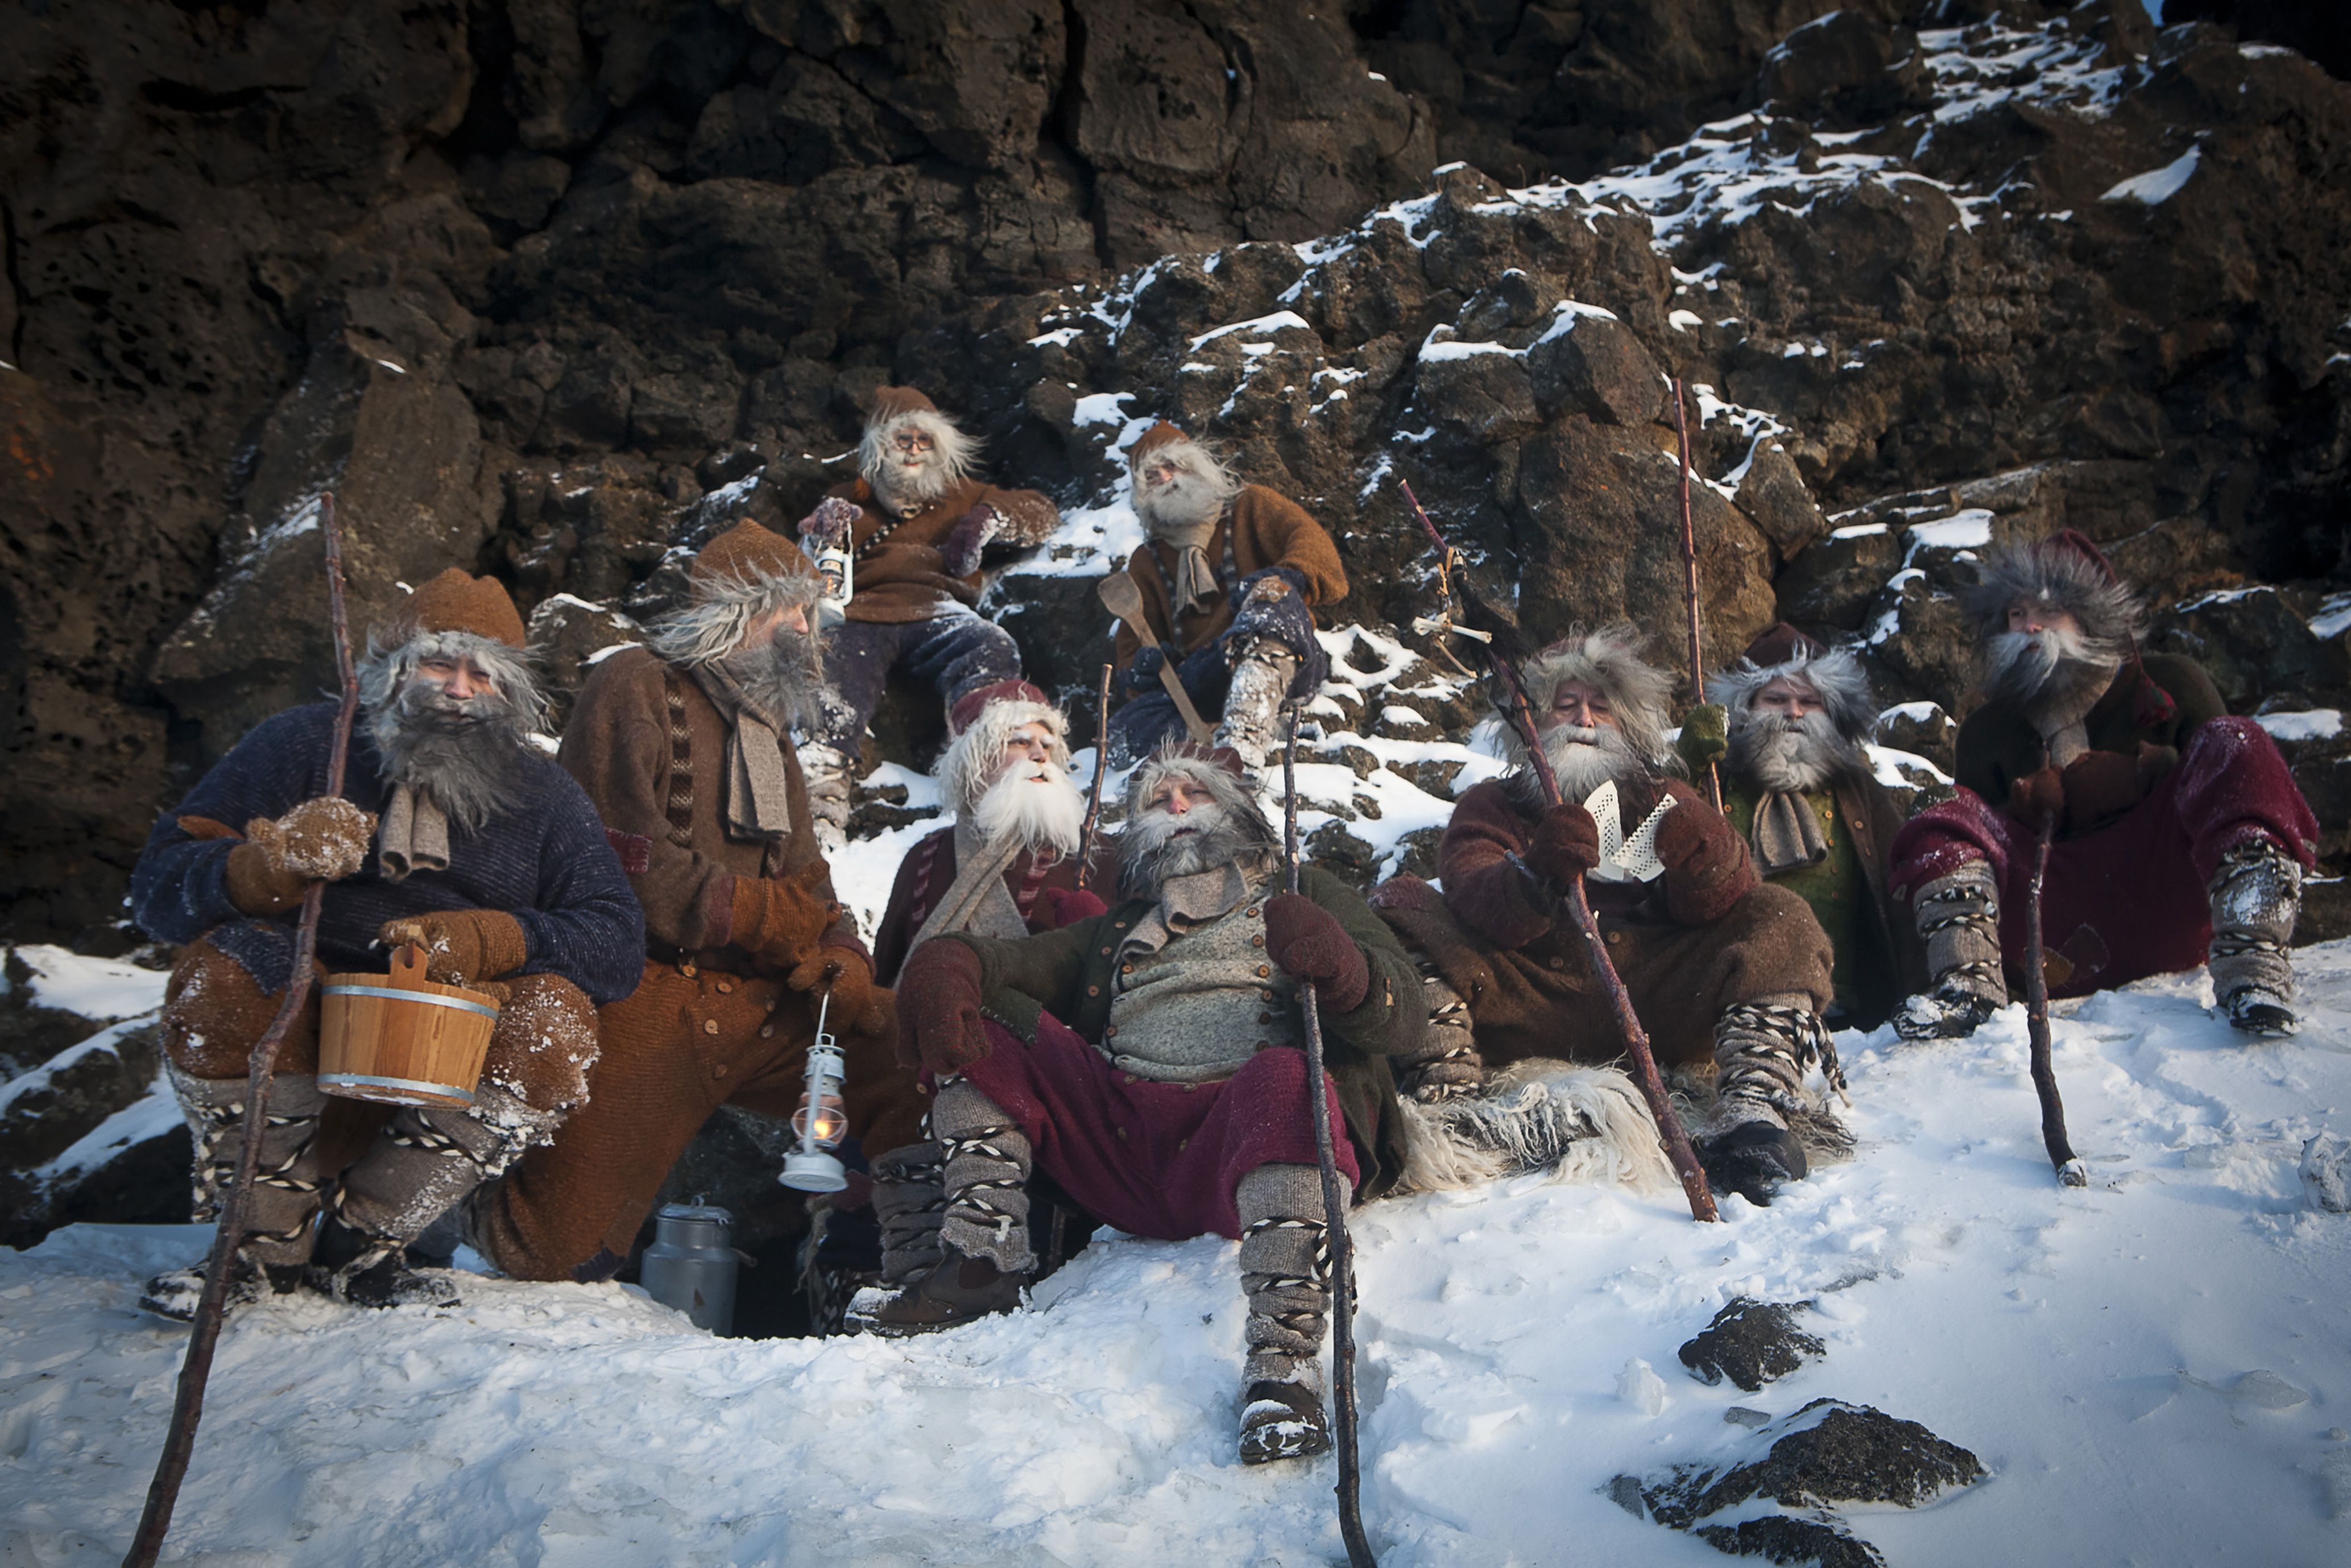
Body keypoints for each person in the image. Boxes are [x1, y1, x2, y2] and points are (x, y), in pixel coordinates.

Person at [881, 743, 1425, 1464]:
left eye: (1192, 792)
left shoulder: (1307, 889)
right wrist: (955, 960)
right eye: (1155, 798)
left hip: (1242, 1142)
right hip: (1123, 1147)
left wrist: (1344, 969)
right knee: (984, 1019)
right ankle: (983, 1259)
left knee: (1285, 1077)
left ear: (1232, 809)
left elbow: (1405, 1015)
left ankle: (1283, 1368)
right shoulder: (1117, 923)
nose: (1174, 804)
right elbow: (1017, 966)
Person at [129, 569, 643, 1312]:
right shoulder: (305, 742)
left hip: (440, 1064)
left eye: (484, 675)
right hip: (292, 1043)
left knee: (556, 1020)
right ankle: (261, 1245)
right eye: (439, 663)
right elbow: (159, 883)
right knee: (225, 969)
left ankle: (365, 1243)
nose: (459, 690)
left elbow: (616, 940)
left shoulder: (543, 792)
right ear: (392, 667)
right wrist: (265, 864)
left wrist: (495, 937)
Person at [467, 520, 923, 1281]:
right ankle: (452, 1183)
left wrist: (841, 950)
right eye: (795, 612)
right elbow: (619, 862)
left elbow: (807, 878)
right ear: (741, 609)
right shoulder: (634, 683)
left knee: (899, 1046)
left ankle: (904, 1257)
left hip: (758, 1005)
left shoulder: (769, 731)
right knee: (548, 1253)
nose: (809, 631)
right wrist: (759, 916)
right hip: (643, 1001)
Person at [1371, 624, 1845, 1206]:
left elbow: (1726, 901)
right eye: (1565, 706)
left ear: (1630, 723)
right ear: (1533, 724)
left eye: (1602, 707)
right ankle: (1452, 1102)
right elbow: (1472, 888)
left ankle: (1755, 1108)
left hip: (1656, 998)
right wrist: (1533, 875)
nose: (1584, 721)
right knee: (1406, 906)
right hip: (1529, 997)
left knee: (1778, 915)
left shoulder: (1661, 791)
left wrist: (1706, 857)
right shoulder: (1494, 804)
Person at [1889, 531, 2318, 1039]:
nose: (2029, 626)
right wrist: (2022, 810)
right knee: (1946, 810)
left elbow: (2224, 785)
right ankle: (1968, 984)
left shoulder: (2170, 684)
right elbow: (1981, 841)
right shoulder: (1988, 731)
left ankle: (2256, 968)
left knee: (2237, 740)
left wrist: (2147, 774)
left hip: (2165, 905)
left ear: (2088, 615)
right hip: (2054, 937)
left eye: (2047, 611)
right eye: (2015, 614)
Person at [858, 678, 1112, 1295]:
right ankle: (916, 1261)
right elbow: (888, 975)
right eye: (1018, 741)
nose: (1038, 754)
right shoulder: (925, 859)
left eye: (1048, 742)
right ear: (976, 762)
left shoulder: (1100, 855)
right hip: (927, 1060)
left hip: (1049, 1062)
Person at [794, 387, 1062, 849]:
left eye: (925, 440)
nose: (915, 449)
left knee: (992, 645)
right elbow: (806, 571)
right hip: (862, 613)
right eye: (904, 440)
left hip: (940, 607)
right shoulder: (845, 499)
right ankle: (819, 807)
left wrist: (992, 517)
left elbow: (1042, 512)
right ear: (880, 447)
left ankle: (992, 769)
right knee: (829, 669)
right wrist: (817, 537)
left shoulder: (963, 493)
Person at [1678, 623, 1919, 1031]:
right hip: (1734, 1013)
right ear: (1746, 708)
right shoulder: (1712, 782)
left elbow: (1905, 877)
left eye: (1810, 701)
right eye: (1775, 699)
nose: (1793, 712)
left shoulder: (1857, 790)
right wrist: (1684, 769)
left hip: (1851, 1020)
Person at [1106, 421, 1347, 771]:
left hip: (1283, 650)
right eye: (1152, 476)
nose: (1165, 479)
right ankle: (1209, 737)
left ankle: (1244, 738)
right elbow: (1130, 650)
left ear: (1194, 466)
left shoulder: (1252, 506)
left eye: (1170, 466)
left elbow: (1313, 546)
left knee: (1268, 595)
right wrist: (1142, 669)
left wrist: (1286, 577)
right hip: (1205, 674)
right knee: (1124, 732)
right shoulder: (1147, 561)